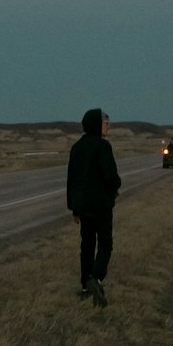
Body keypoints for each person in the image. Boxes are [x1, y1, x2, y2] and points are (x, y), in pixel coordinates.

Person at [66, 108, 121, 308]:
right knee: (105, 244)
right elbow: (110, 176)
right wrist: (116, 185)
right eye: (106, 123)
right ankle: (95, 279)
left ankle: (84, 286)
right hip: (101, 205)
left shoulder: (76, 147)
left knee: (87, 245)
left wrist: (73, 208)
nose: (108, 126)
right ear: (96, 124)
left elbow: (72, 180)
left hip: (83, 207)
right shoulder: (102, 147)